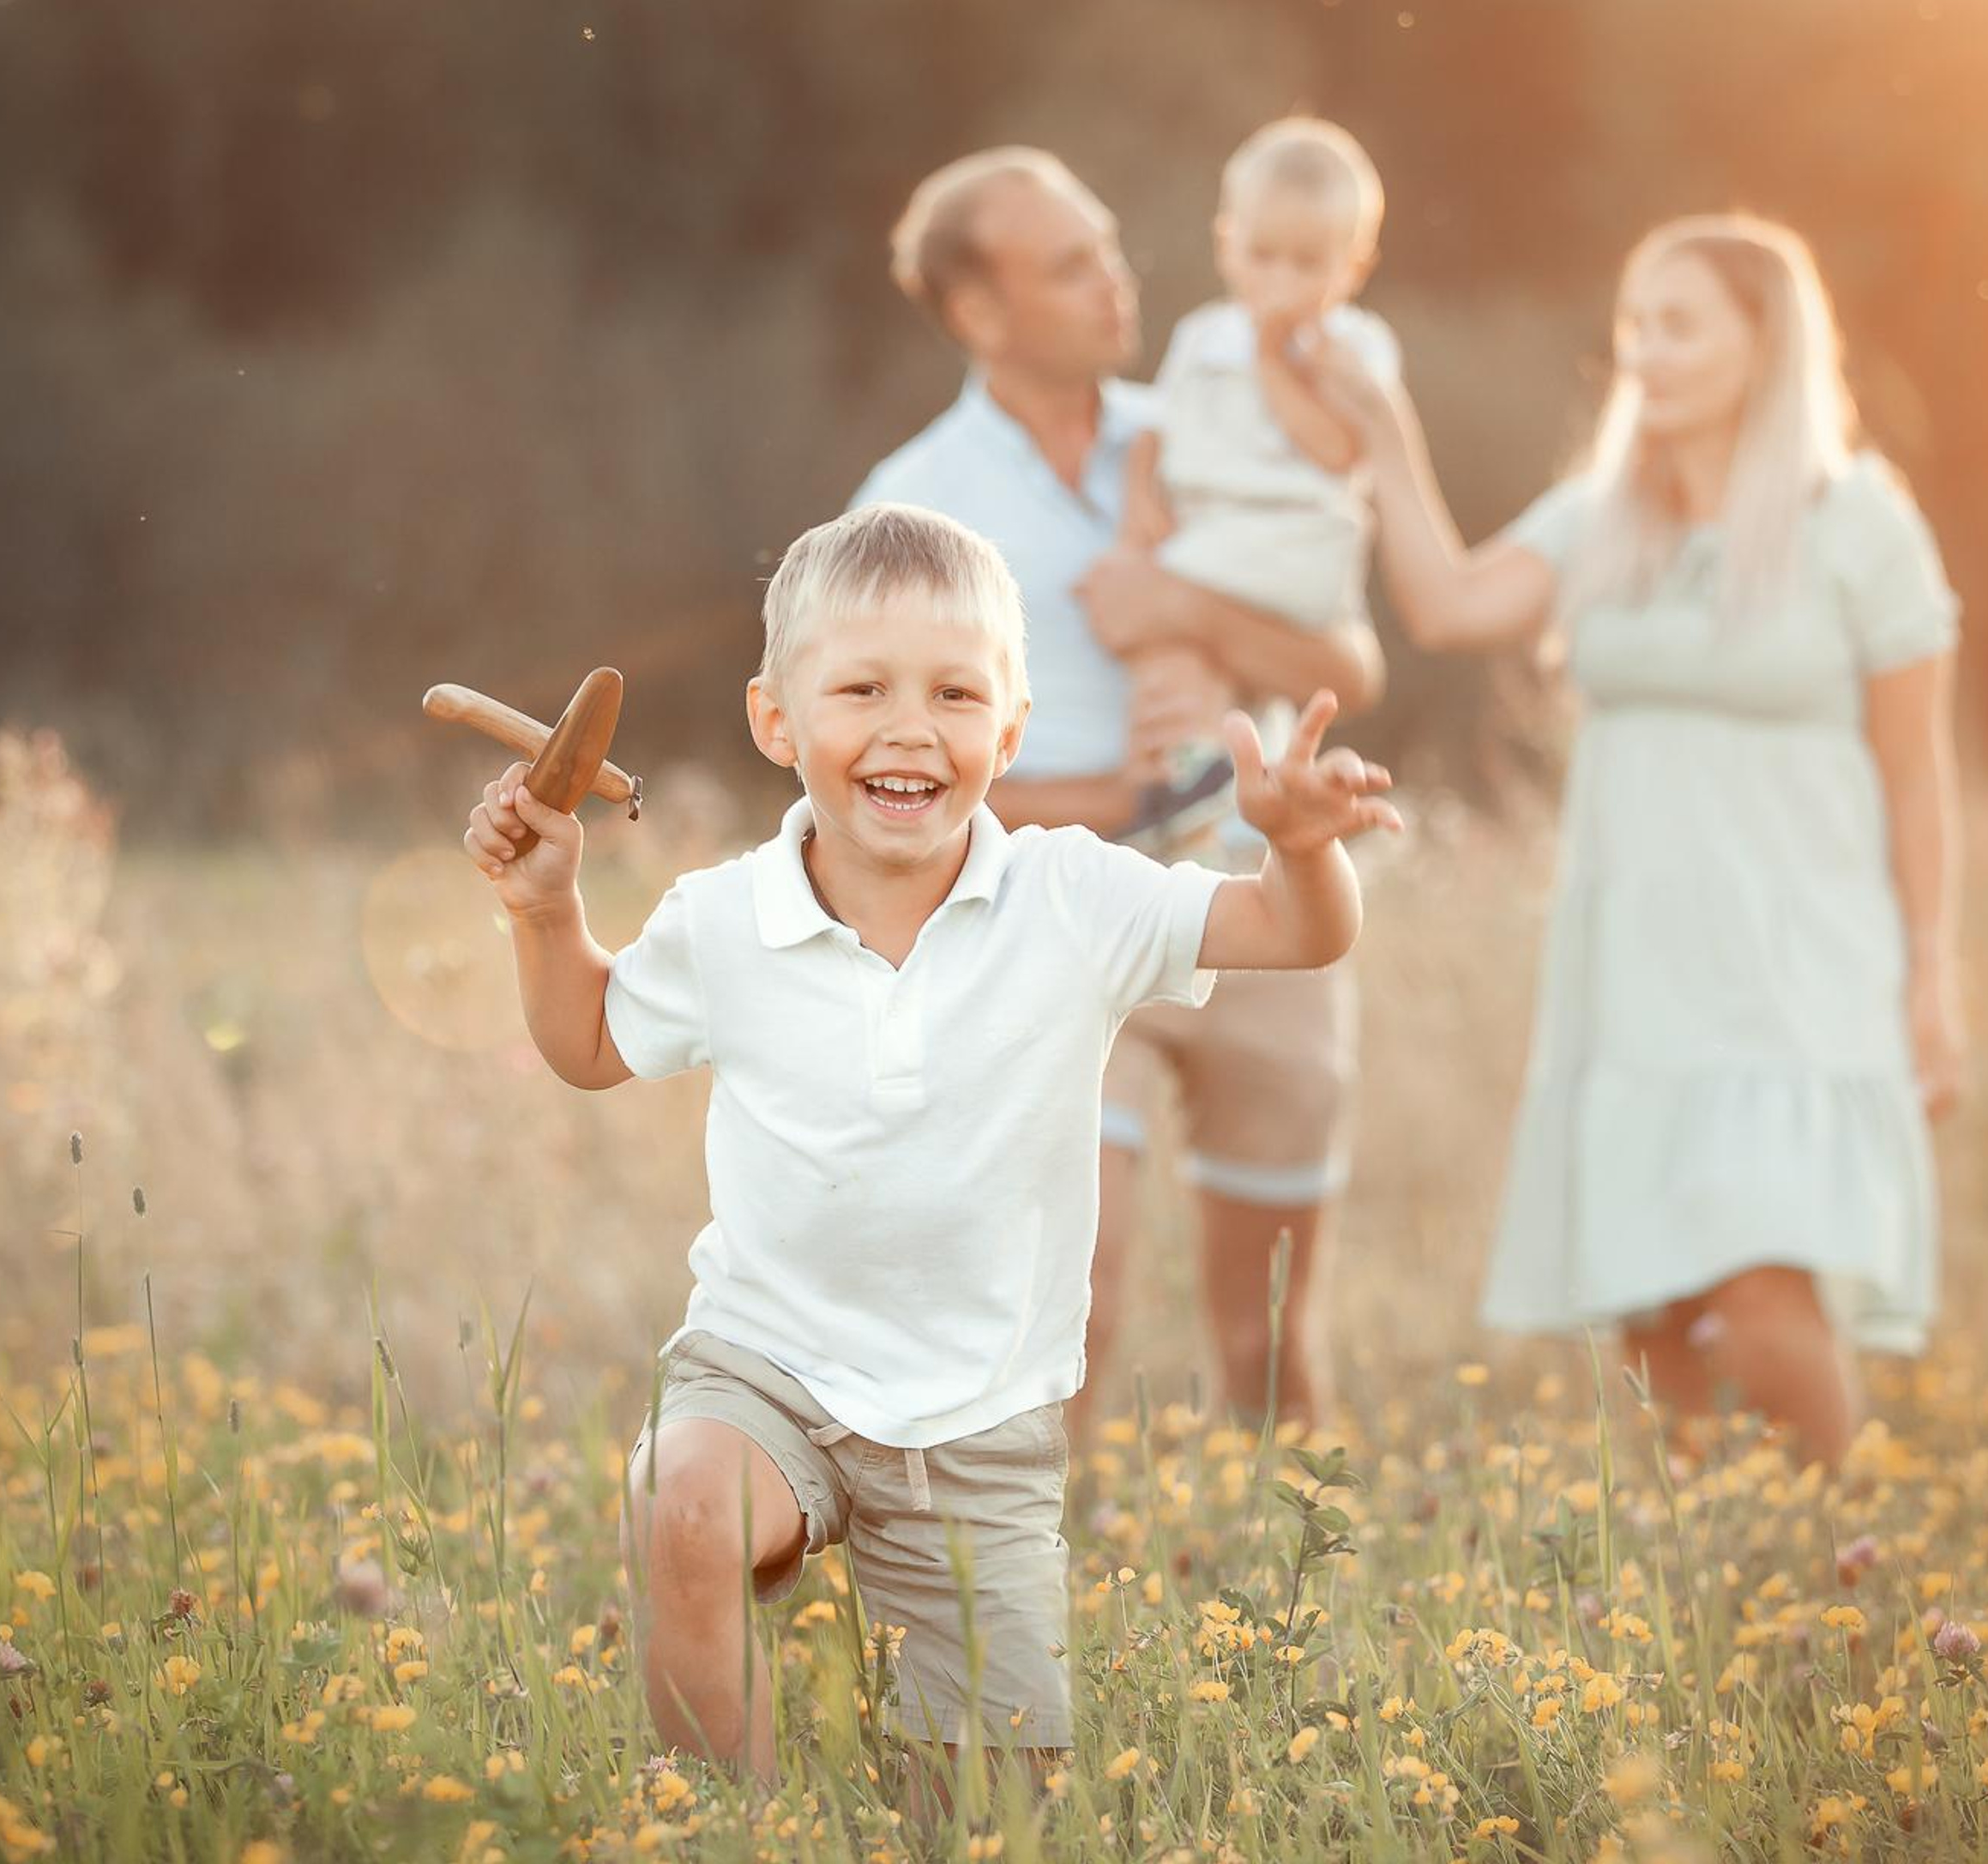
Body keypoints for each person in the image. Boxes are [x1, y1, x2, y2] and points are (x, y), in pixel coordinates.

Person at [461, 503, 1398, 1775]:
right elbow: (586, 1046)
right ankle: (721, 1825)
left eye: (956, 694)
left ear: (1008, 732)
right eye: (861, 689)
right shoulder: (724, 920)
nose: (910, 727)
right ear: (776, 721)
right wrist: (545, 910)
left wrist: (1299, 849)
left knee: (986, 1808)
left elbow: (1297, 934)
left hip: (982, 1414)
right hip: (770, 1367)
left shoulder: (1076, 895)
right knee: (681, 1507)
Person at [1302, 211, 1964, 1466]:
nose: (1646, 352)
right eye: (1635, 323)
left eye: (1680, 323)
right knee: (1656, 1309)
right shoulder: (1601, 516)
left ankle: (1839, 1564)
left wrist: (1933, 974)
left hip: (1800, 959)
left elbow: (1919, 777)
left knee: (1765, 1293)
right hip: (1636, 958)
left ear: (1764, 342)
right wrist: (1384, 430)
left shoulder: (1859, 521)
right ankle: (1707, 1602)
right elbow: (1446, 606)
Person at [855, 148, 1383, 1431]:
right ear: (980, 312)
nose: (1115, 280)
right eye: (1070, 263)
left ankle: (1285, 1621)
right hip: (1054, 927)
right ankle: (1031, 1621)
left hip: (1262, 908)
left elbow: (1348, 661)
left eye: (1108, 245)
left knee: (1270, 1339)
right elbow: (879, 786)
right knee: (1072, 1312)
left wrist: (1184, 607)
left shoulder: (1210, 430)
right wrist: (1117, 799)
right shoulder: (913, 507)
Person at [1118, 116, 1401, 851]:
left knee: (1152, 618)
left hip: (1292, 540)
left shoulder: (1353, 347)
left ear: (1354, 267)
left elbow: (1340, 453)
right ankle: (1207, 783)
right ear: (1226, 243)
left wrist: (1278, 363)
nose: (1278, 281)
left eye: (1307, 264)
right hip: (1213, 533)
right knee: (1182, 657)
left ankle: (1193, 778)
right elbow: (1156, 425)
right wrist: (1140, 495)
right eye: (1261, 254)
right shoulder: (1204, 334)